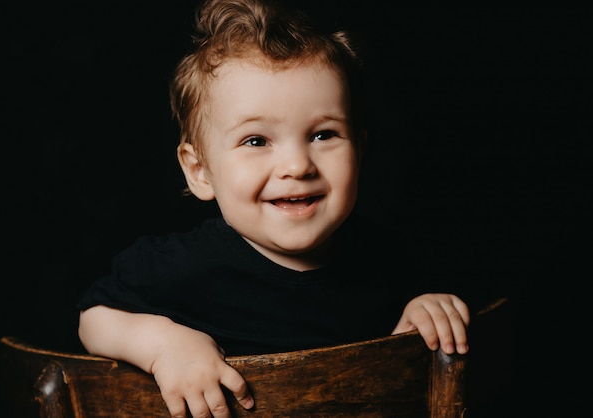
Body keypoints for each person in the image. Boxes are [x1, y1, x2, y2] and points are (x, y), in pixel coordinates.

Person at [77, 0, 471, 417]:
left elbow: (385, 384)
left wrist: (422, 315)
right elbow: (94, 318)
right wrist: (163, 345)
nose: (298, 166)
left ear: (360, 147)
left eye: (323, 134)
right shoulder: (180, 266)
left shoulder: (387, 260)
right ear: (200, 171)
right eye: (256, 141)